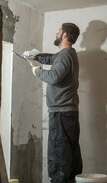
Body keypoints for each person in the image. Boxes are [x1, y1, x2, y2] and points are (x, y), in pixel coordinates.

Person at [24, 23, 82, 183]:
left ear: (64, 35)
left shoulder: (64, 55)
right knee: (70, 155)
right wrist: (36, 57)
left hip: (61, 113)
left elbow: (54, 77)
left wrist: (37, 71)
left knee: (59, 156)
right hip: (69, 112)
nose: (56, 33)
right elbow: (52, 58)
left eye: (59, 30)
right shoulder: (68, 54)